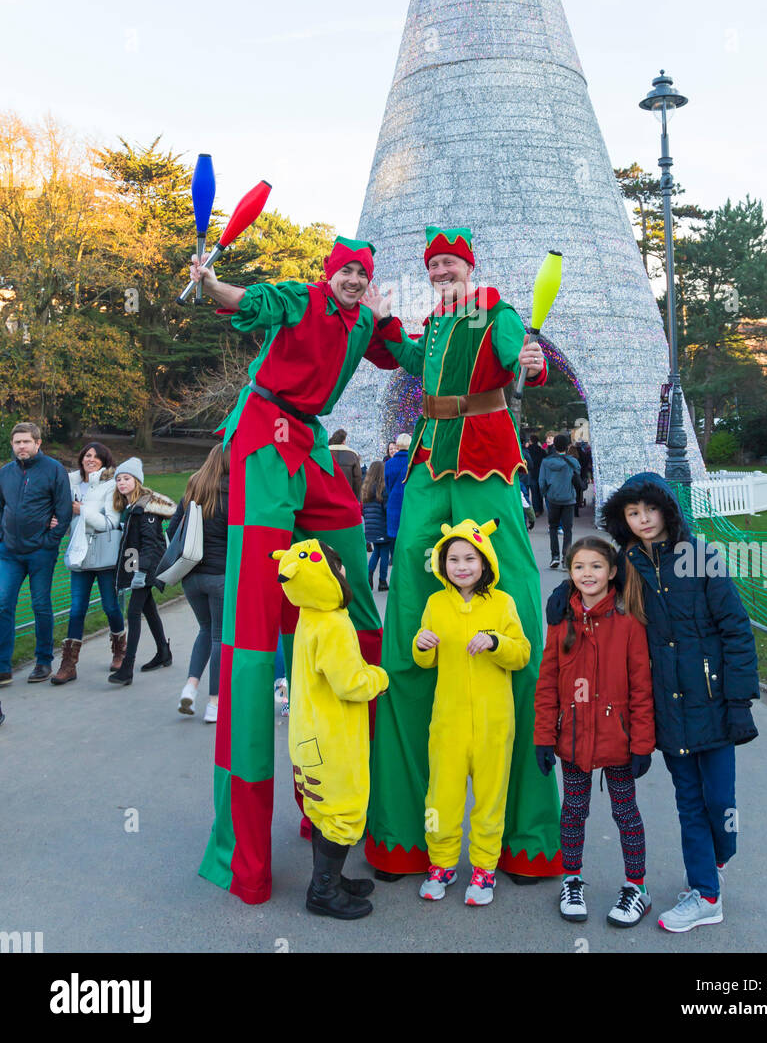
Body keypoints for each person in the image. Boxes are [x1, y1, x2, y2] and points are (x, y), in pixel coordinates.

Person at [362, 224, 562, 881]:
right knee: (416, 580)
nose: (444, 271)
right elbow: (415, 362)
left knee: (503, 582)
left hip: (485, 451)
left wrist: (528, 360)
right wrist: (387, 328)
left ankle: (523, 839)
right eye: (437, 264)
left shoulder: (496, 311)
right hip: (429, 452)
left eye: (452, 263)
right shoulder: (441, 324)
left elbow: (514, 353)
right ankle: (407, 835)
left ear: (469, 268)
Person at [189, 235, 384, 905]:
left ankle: (341, 816)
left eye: (363, 272)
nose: (355, 279)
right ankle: (246, 860)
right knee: (250, 635)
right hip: (265, 432)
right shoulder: (302, 298)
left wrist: (520, 365)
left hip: (312, 441)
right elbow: (247, 301)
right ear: (330, 276)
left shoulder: (364, 321)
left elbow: (415, 354)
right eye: (347, 272)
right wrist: (210, 283)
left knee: (352, 591)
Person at [549, 471, 759, 933]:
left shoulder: (701, 557)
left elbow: (736, 630)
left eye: (649, 510)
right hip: (666, 706)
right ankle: (706, 894)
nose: (642, 520)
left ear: (666, 510)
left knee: (720, 801)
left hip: (712, 698)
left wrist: (739, 698)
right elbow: (593, 585)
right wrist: (563, 597)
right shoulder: (626, 563)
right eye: (632, 512)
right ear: (622, 518)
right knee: (689, 801)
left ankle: (715, 861)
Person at [534, 536, 655, 927]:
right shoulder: (560, 619)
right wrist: (542, 736)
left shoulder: (628, 621)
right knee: (573, 811)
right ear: (569, 573)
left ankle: (636, 886)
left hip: (617, 738)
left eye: (597, 566)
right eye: (580, 567)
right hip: (572, 737)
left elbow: (641, 685)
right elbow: (547, 679)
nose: (588, 574)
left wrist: (642, 743)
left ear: (612, 572)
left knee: (625, 813)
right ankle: (572, 879)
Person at [272, 539, 389, 919]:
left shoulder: (309, 614)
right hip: (333, 738)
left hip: (307, 735)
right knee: (342, 811)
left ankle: (329, 878)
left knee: (322, 810)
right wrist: (379, 676)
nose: (343, 572)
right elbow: (350, 684)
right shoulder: (333, 624)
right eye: (337, 567)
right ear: (324, 575)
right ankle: (322, 892)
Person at [415, 520, 529, 907]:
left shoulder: (502, 604)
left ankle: (484, 868)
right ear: (442, 563)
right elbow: (424, 659)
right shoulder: (434, 604)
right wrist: (422, 643)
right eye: (453, 559)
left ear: (485, 562)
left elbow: (521, 654)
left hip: (495, 724)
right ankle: (440, 863)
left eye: (469, 558)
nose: (461, 566)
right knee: (439, 798)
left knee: (490, 799)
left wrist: (496, 642)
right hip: (447, 722)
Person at [0, 421, 73, 684]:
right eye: (17, 442)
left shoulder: (54, 470)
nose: (21, 446)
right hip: (8, 552)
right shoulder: (5, 472)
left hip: (40, 551)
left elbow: (64, 512)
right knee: (3, 603)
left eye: (26, 441)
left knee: (40, 605)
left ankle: (43, 661)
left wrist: (49, 541)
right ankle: (3, 667)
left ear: (37, 443)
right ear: (12, 444)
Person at [52, 442, 126, 685]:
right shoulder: (70, 483)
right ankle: (69, 664)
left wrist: (82, 510)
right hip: (80, 554)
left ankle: (120, 650)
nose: (90, 459)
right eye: (86, 455)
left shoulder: (110, 485)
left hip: (103, 554)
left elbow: (110, 523)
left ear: (104, 461)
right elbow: (62, 515)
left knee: (110, 606)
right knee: (76, 609)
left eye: (96, 456)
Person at [169, 445, 229, 723]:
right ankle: (214, 703)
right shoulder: (235, 493)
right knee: (219, 636)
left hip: (191, 574)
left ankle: (190, 687)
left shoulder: (194, 488)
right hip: (221, 575)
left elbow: (173, 530)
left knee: (204, 630)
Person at [107, 459, 175, 685]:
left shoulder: (145, 508)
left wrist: (141, 572)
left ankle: (127, 668)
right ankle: (163, 652)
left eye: (126, 478)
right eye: (118, 479)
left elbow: (151, 543)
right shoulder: (129, 508)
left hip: (147, 567)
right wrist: (131, 570)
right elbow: (131, 544)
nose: (121, 483)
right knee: (149, 609)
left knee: (133, 613)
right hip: (137, 566)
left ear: (137, 481)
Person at [538, 434, 583, 569]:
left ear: (554, 445)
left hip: (553, 499)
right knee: (567, 530)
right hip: (568, 499)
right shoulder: (573, 462)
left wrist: (546, 494)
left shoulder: (546, 462)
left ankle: (555, 557)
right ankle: (566, 559)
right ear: (568, 446)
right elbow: (578, 477)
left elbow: (541, 482)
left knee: (553, 527)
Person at [361, 461, 390, 592]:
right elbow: (386, 509)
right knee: (384, 554)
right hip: (382, 526)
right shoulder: (382, 489)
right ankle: (382, 581)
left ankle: (369, 573)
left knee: (376, 551)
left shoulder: (366, 488)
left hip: (371, 527)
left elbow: (363, 510)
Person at [383, 432, 411, 555]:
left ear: (398, 446)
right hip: (410, 503)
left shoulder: (388, 464)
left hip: (393, 503)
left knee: (394, 535)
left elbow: (387, 486)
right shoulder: (413, 462)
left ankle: (394, 557)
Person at [328, 430, 362, 501]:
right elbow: (358, 479)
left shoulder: (325, 454)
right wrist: (354, 497)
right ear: (343, 441)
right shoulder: (352, 455)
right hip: (347, 497)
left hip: (329, 497)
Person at [525, 433, 545, 515]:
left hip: (531, 473)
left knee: (533, 493)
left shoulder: (528, 450)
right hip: (539, 473)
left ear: (531, 441)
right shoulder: (541, 450)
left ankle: (535, 510)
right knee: (539, 492)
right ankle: (540, 508)